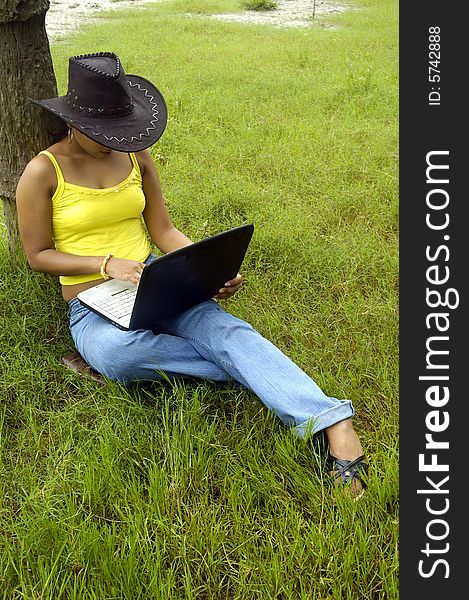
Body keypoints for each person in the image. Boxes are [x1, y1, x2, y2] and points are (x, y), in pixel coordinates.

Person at [16, 52, 368, 498]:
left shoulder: (136, 156)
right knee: (118, 356)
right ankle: (248, 367)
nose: (111, 142)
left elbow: (162, 229)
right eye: (100, 133)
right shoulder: (42, 172)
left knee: (222, 327)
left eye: (117, 131)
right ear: (72, 119)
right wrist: (105, 264)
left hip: (157, 282)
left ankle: (334, 421)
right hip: (92, 305)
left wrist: (204, 266)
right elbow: (38, 255)